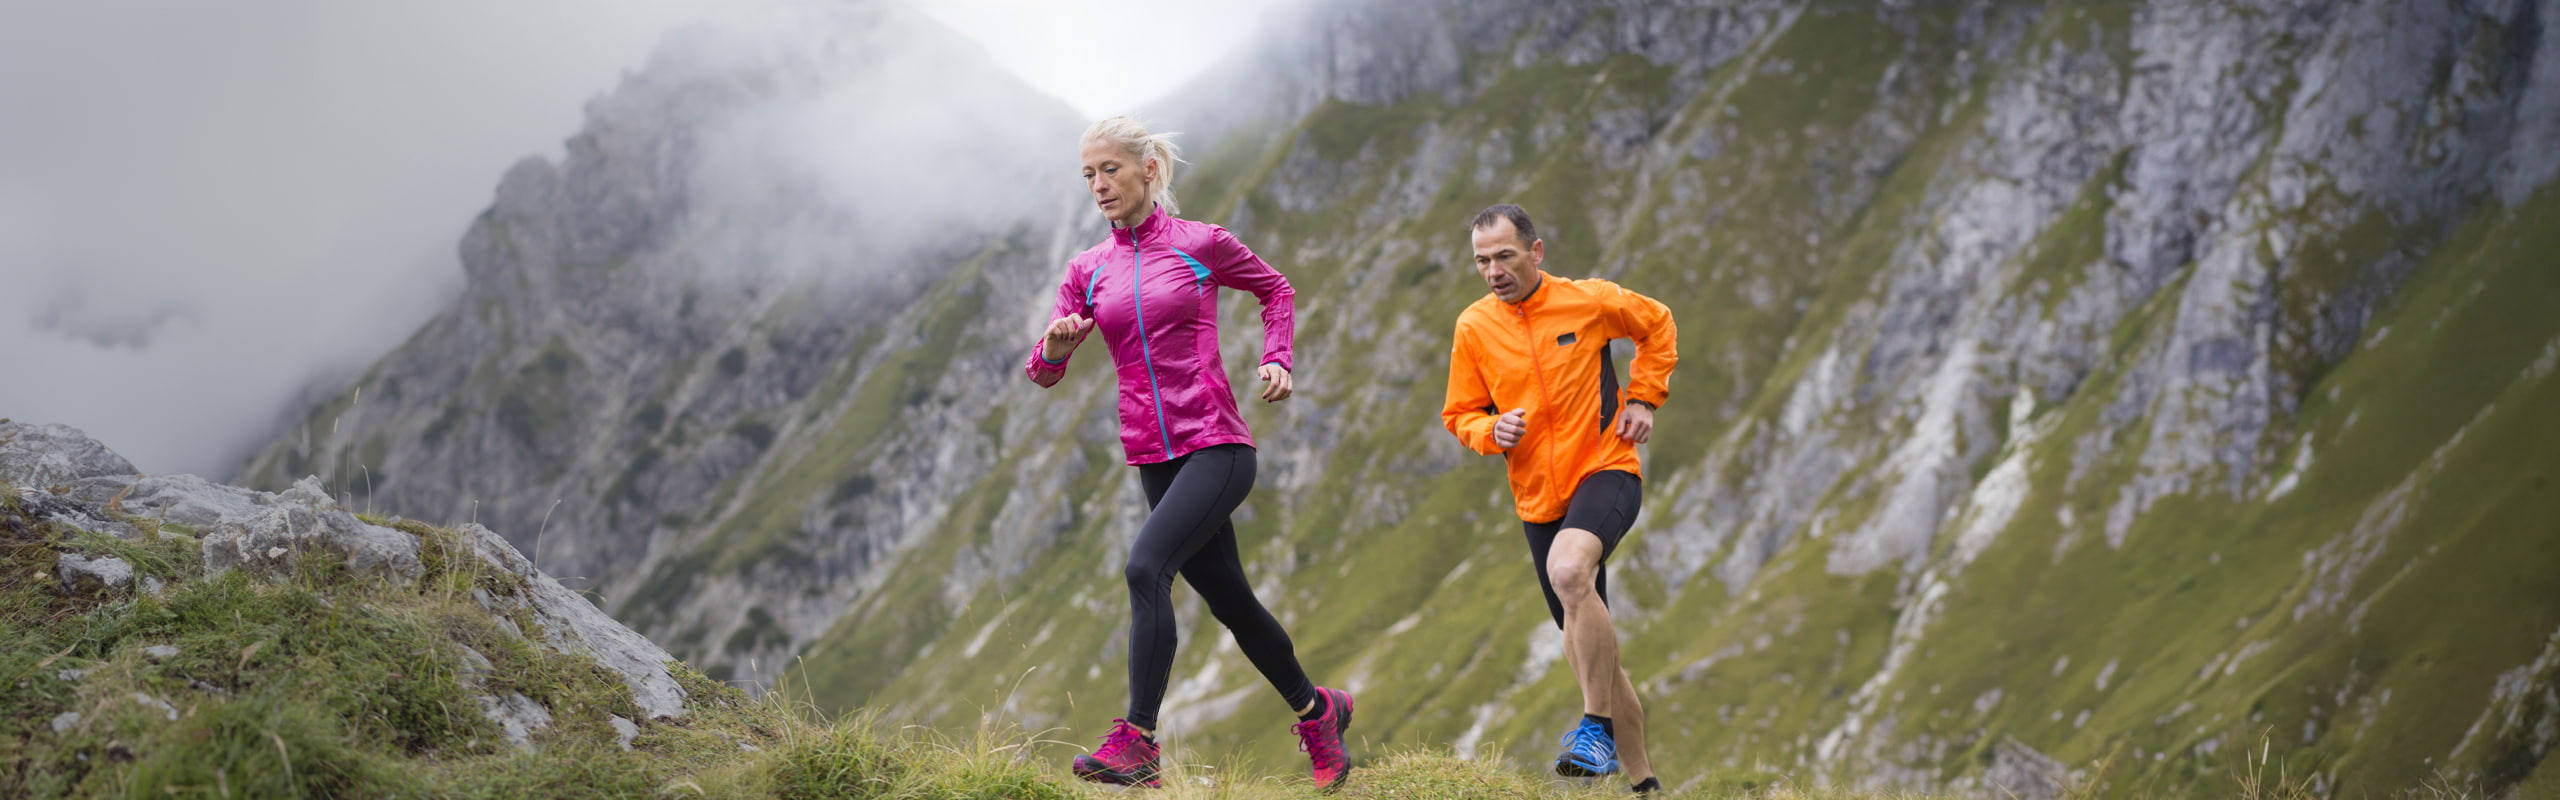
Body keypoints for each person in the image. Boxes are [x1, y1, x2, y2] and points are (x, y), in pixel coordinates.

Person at [1025, 116, 1353, 791]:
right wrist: (1053, 350)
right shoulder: (1088, 268)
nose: (1098, 185)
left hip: (1216, 444)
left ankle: (1139, 741)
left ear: (1148, 170)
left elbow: (1277, 289)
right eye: (1088, 175)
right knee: (1232, 602)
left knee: (1145, 567)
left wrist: (1278, 356)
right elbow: (1042, 371)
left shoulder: (1202, 243)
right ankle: (1318, 712)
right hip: (1152, 456)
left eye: (1109, 169)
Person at [1441, 204, 1675, 794]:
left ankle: (1593, 729)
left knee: (1569, 572)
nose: (1493, 271)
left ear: (1536, 252)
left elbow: (1658, 324)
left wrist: (1643, 398)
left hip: (1605, 469)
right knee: (1598, 659)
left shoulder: (1588, 301)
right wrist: (1490, 430)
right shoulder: (1473, 327)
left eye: (1504, 256)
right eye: (1482, 261)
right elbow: (1460, 413)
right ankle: (1645, 786)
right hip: (1539, 500)